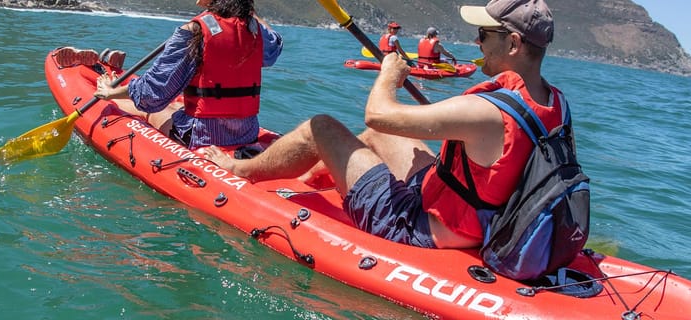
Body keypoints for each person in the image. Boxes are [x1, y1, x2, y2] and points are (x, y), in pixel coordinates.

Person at [203, 0, 566, 250]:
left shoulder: (484, 112)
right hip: (473, 214)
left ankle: (240, 169)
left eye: (484, 34)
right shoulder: (555, 103)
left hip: (423, 227)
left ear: (513, 43)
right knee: (379, 136)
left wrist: (389, 74)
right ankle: (312, 178)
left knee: (321, 128)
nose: (477, 41)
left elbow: (376, 113)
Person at [91, 0, 283, 150]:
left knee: (147, 110)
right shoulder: (256, 31)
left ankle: (109, 98)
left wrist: (110, 92)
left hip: (202, 136)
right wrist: (247, 10)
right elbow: (275, 44)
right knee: (176, 105)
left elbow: (151, 95)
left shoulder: (195, 30)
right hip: (246, 133)